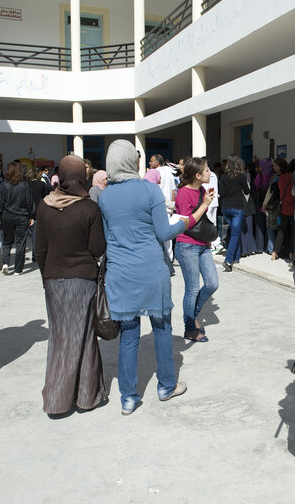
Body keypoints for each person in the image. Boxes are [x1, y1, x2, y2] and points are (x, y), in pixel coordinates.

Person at [98, 140, 189, 416]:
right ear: (131, 161)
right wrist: (183, 223)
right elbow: (163, 233)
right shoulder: (150, 189)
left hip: (120, 273)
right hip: (151, 271)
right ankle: (166, 385)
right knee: (161, 328)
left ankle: (128, 398)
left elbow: (105, 238)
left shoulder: (104, 196)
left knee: (129, 335)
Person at [35, 155, 107, 417]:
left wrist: (47, 276)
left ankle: (56, 399)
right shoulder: (88, 208)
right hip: (82, 280)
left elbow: (39, 251)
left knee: (59, 337)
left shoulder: (44, 206)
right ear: (82, 176)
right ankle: (86, 397)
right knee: (85, 337)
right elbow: (97, 248)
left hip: (54, 279)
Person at [174, 157, 217, 343]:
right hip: (186, 245)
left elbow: (200, 221)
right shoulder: (183, 193)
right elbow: (187, 223)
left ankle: (192, 315)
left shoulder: (201, 190)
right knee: (192, 289)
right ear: (198, 175)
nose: (209, 172)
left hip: (202, 245)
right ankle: (190, 328)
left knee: (212, 284)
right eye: (206, 170)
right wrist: (205, 204)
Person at [0, 161, 35, 276]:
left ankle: (6, 263)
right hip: (21, 216)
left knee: (7, 240)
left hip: (7, 215)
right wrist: (32, 215)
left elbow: (0, 202)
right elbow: (29, 201)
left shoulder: (4, 185)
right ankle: (18, 269)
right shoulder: (24, 185)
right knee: (20, 242)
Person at [218, 155, 250, 272]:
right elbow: (247, 191)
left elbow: (221, 193)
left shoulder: (222, 177)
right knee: (235, 234)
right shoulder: (241, 176)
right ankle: (228, 260)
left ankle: (236, 257)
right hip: (237, 208)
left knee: (233, 232)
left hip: (226, 208)